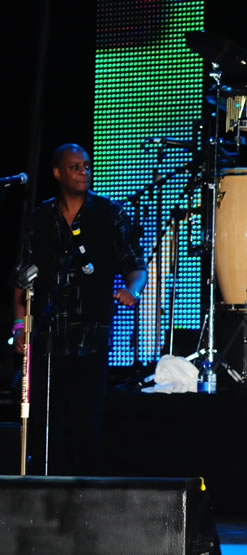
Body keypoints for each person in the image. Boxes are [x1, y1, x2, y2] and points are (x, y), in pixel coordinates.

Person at [13, 143, 147, 475]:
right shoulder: (40, 219)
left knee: (86, 421)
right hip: (48, 336)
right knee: (48, 422)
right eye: (74, 167)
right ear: (58, 173)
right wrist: (20, 328)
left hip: (92, 331)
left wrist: (131, 290)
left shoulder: (109, 214)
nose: (83, 172)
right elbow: (21, 281)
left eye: (86, 166)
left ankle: (86, 496)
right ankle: (45, 493)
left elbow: (136, 265)